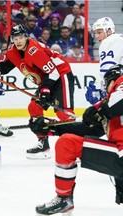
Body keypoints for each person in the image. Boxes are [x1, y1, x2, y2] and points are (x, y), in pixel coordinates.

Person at [35, 64, 123, 215]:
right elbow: (89, 129)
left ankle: (64, 198)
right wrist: (51, 127)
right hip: (118, 155)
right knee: (68, 142)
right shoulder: (110, 109)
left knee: (67, 144)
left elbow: (115, 104)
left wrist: (98, 109)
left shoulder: (119, 85)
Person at [0, 24, 75, 159]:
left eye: (20, 38)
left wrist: (45, 91)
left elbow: (52, 72)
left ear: (26, 37)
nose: (18, 41)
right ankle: (43, 144)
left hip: (61, 75)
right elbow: (5, 64)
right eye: (15, 39)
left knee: (64, 114)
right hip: (47, 79)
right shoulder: (12, 49)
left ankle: (78, 147)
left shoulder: (34, 50)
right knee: (34, 107)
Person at [86, 17, 123, 104]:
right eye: (95, 33)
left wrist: (100, 88)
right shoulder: (119, 39)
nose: (97, 36)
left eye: (99, 32)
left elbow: (109, 71)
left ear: (109, 31)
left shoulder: (109, 41)